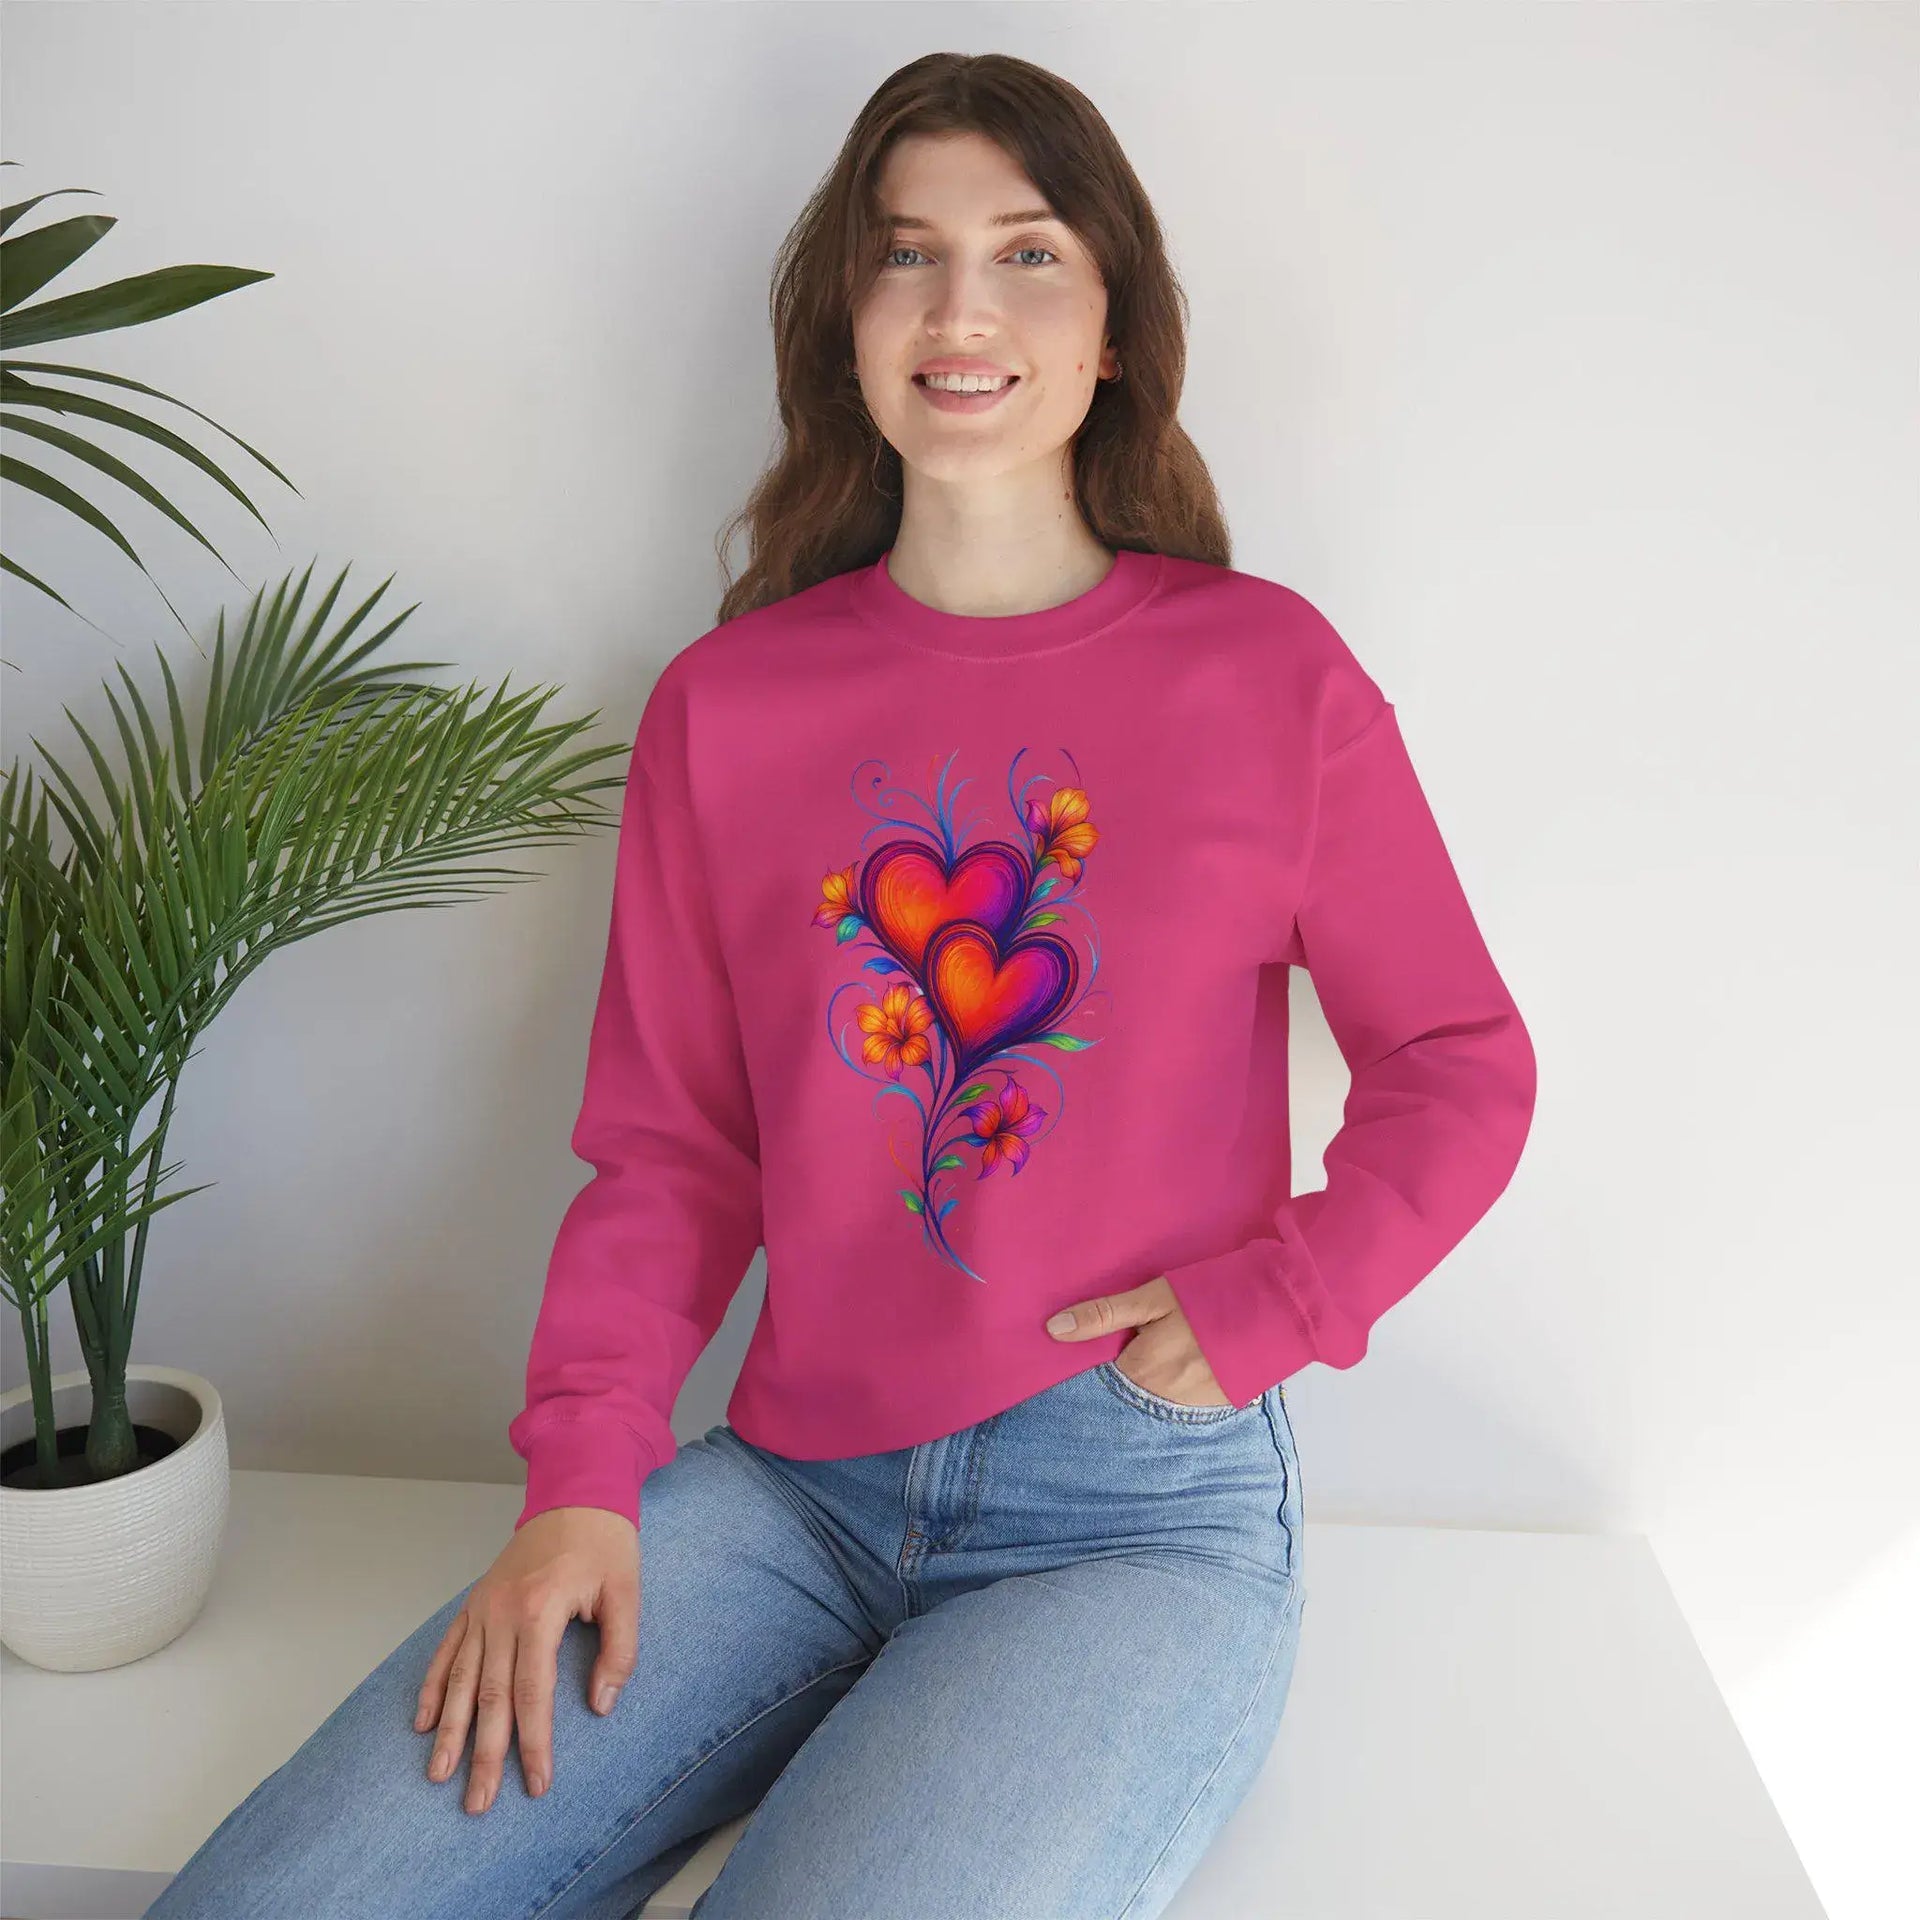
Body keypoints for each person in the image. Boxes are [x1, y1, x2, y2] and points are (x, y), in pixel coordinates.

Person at [145, 50, 1536, 1920]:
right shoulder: (731, 706)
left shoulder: (1265, 676)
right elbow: (671, 1153)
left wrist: (1280, 1296)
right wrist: (581, 1477)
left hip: (1131, 1517)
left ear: (1114, 324)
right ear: (849, 320)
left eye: (1029, 254)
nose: (963, 309)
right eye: (907, 257)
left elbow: (1458, 1059)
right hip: (790, 1489)